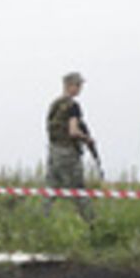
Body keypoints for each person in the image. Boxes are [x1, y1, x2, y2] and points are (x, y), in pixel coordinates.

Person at [44, 71, 95, 221]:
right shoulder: (73, 106)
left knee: (51, 189)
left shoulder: (55, 104)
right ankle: (91, 222)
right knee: (78, 190)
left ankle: (41, 220)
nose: (80, 89)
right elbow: (73, 131)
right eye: (78, 85)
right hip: (68, 153)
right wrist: (87, 139)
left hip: (54, 150)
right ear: (69, 86)